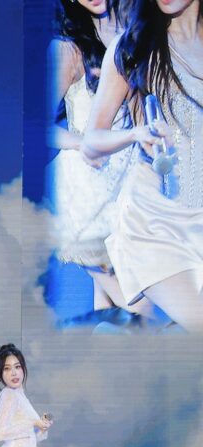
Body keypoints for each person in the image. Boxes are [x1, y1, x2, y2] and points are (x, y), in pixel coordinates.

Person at [82, 0, 203, 332]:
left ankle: (119, 340)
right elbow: (91, 142)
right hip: (156, 224)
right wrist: (136, 133)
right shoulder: (133, 48)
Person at [47, 0, 154, 323]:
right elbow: (33, 125)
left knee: (108, 313)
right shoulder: (67, 50)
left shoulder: (135, 36)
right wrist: (84, 142)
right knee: (138, 307)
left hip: (126, 189)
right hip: (86, 195)